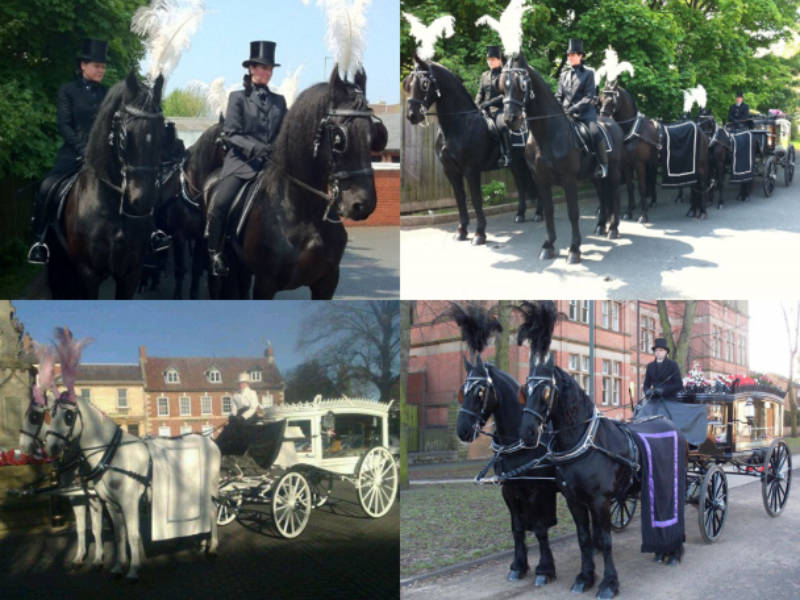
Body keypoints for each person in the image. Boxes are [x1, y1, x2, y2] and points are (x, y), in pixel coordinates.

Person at [205, 41, 287, 277]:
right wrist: (256, 149)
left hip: (272, 166)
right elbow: (231, 133)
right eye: (261, 68)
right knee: (220, 204)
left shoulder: (279, 101)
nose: (265, 72)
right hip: (242, 164)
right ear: (251, 68)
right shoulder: (237, 97)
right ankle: (215, 253)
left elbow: (284, 132)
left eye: (269, 68)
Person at [28, 39, 109, 264]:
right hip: (73, 151)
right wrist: (83, 148)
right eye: (97, 66)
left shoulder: (108, 93)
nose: (101, 70)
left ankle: (148, 235)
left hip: (103, 156)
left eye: (103, 66)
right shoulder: (68, 90)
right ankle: (39, 240)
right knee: (46, 186)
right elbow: (64, 124)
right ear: (83, 65)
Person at [555, 38, 608, 178]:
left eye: (573, 55)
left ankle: (603, 164)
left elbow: (589, 96)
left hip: (585, 114)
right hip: (565, 114)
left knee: (595, 132)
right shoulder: (564, 74)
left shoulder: (588, 73)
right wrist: (557, 107)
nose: (570, 58)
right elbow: (559, 95)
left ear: (580, 56)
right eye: (569, 55)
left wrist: (574, 109)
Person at [475, 45, 511, 167]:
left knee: (502, 126)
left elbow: (504, 95)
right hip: (484, 109)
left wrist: (489, 103)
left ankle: (506, 154)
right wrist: (476, 105)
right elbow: (480, 92)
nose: (490, 62)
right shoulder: (484, 75)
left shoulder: (505, 74)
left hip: (499, 109)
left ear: (499, 60)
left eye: (493, 60)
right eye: (488, 60)